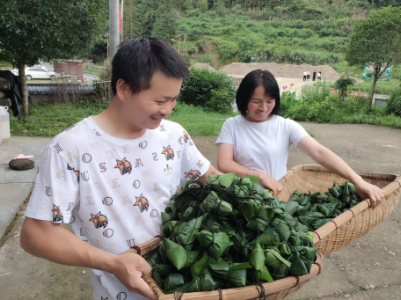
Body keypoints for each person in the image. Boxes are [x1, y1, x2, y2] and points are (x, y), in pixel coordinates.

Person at [20, 38, 221, 300]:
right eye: (160, 100)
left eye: (174, 100)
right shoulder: (70, 148)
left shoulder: (174, 136)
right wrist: (113, 264)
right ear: (124, 88)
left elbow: (213, 179)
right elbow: (35, 235)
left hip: (183, 286)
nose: (168, 110)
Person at [216, 69, 384, 207]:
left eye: (269, 101)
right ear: (244, 99)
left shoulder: (285, 126)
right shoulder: (232, 125)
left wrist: (357, 181)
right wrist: (259, 175)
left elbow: (319, 152)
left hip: (278, 200)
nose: (263, 108)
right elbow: (224, 164)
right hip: (242, 200)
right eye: (256, 101)